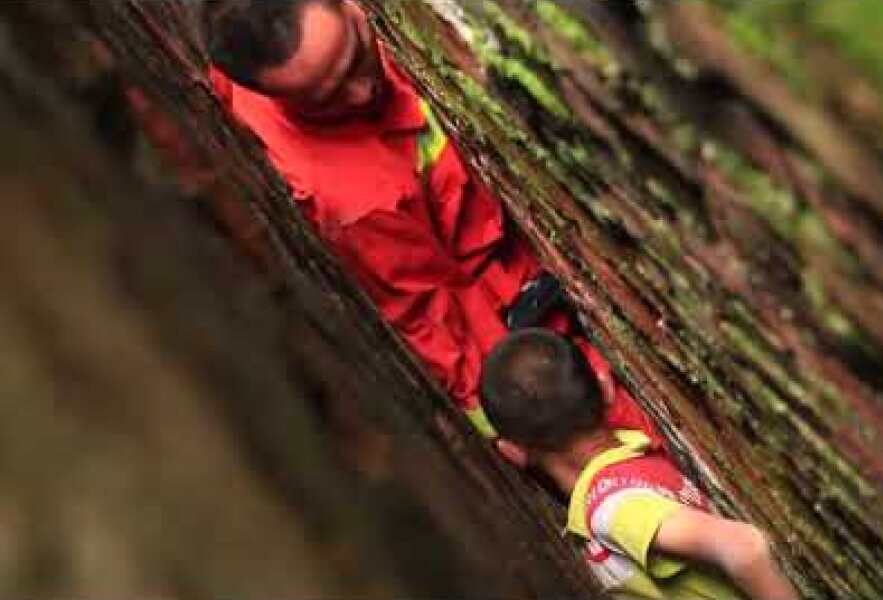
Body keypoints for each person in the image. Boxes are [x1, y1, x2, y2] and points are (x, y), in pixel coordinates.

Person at [199, 0, 659, 439]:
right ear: (275, 93)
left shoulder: (250, 35)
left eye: (356, 52)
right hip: (506, 293)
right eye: (327, 96)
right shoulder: (355, 202)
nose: (362, 91)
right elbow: (438, 319)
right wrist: (533, 422)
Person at [480, 329, 799, 600]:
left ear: (513, 451)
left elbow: (744, 546)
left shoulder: (613, 508)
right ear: (605, 388)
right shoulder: (636, 458)